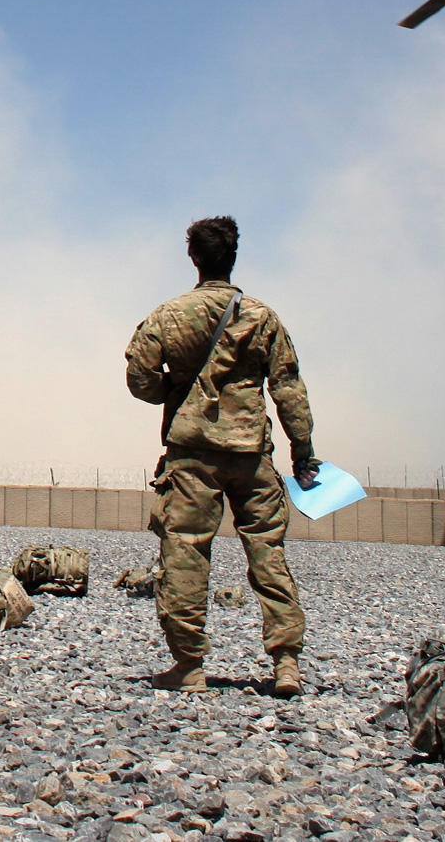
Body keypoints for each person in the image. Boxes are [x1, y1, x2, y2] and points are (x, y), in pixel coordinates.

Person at [124, 216, 319, 696]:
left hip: (192, 455)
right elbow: (288, 389)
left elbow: (140, 381)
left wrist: (176, 387)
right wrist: (304, 452)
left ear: (193, 257)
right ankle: (286, 664)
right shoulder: (261, 316)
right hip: (252, 453)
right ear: (233, 257)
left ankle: (188, 666)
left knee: (186, 551)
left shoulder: (169, 316)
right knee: (267, 552)